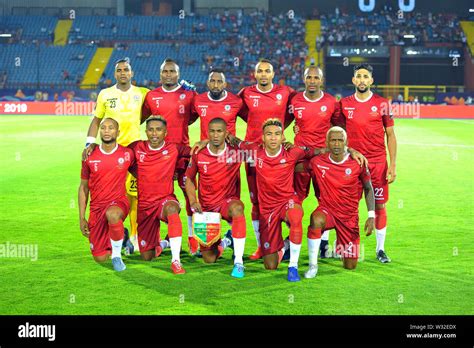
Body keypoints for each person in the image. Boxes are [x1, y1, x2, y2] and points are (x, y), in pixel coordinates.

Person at [228, 119, 368, 281]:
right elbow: (236, 142)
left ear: (283, 138)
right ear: (263, 137)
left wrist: (349, 150)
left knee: (295, 215)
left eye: (277, 134)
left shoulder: (294, 152)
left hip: (287, 202)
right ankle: (283, 247)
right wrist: (224, 136)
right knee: (270, 265)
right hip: (267, 210)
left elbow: (322, 150)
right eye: (269, 134)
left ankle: (292, 266)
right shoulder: (253, 150)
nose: (273, 138)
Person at [82, 58, 149, 253]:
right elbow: (96, 120)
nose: (122, 73)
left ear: (131, 73)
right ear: (115, 74)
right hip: (110, 153)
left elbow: (158, 106)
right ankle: (115, 234)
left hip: (134, 152)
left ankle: (135, 237)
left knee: (135, 196)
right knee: (110, 195)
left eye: (126, 70)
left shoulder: (142, 93)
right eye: (119, 70)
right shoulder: (105, 94)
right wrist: (89, 143)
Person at [238, 59, 296, 260]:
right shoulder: (246, 93)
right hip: (253, 154)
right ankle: (262, 246)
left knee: (284, 198)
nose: (263, 75)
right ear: (255, 74)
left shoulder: (286, 92)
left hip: (278, 153)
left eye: (267, 71)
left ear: (273, 74)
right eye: (260, 71)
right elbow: (234, 111)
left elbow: (298, 110)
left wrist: (283, 130)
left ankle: (285, 242)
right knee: (256, 202)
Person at [296, 127, 375, 276]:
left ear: (346, 142)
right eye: (333, 140)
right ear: (327, 142)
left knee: (350, 266)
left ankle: (340, 246)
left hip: (349, 217)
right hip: (328, 211)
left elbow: (368, 188)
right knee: (316, 219)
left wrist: (371, 216)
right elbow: (294, 167)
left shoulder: (358, 162)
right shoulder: (317, 162)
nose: (337, 144)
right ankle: (313, 266)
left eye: (340, 140)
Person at [338, 63, 397, 263]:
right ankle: (346, 247)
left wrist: (393, 164)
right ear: (353, 80)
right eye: (358, 76)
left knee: (379, 206)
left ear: (371, 80)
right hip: (353, 164)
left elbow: (390, 135)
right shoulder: (344, 104)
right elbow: (336, 134)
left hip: (378, 163)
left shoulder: (382, 104)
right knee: (348, 206)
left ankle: (380, 249)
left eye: (365, 76)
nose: (362, 80)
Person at [128, 117, 202, 274]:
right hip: (145, 206)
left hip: (165, 200)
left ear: (165, 132)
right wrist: (92, 145)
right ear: (146, 131)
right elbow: (119, 156)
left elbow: (196, 152)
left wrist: (203, 142)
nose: (154, 133)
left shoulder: (174, 148)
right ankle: (165, 242)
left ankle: (176, 261)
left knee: (172, 210)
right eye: (151, 130)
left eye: (158, 130)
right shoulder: (136, 147)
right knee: (147, 256)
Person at [142, 58, 198, 255]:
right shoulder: (151, 96)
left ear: (178, 74)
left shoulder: (189, 95)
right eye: (165, 71)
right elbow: (141, 120)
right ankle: (155, 239)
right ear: (160, 74)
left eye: (172, 71)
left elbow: (194, 116)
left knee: (191, 197)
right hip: (158, 156)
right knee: (155, 197)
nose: (168, 74)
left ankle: (193, 238)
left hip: (182, 153)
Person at [287, 65, 341, 258]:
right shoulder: (296, 100)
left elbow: (339, 126)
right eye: (308, 77)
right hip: (300, 156)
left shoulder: (330, 102)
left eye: (315, 78)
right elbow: (285, 120)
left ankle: (324, 244)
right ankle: (292, 239)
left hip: (322, 158)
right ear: (304, 79)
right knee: (295, 198)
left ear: (321, 80)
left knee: (325, 200)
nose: (312, 81)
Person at [185, 118, 246, 278]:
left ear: (226, 133)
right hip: (206, 208)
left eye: (219, 131)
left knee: (237, 209)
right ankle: (227, 241)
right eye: (212, 131)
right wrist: (193, 201)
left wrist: (237, 140)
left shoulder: (236, 152)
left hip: (227, 203)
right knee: (209, 259)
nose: (215, 135)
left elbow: (258, 150)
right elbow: (189, 179)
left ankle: (238, 263)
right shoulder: (199, 154)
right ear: (207, 133)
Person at [78, 118, 134, 271]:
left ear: (118, 132)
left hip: (118, 203)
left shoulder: (127, 153)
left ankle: (117, 256)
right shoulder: (89, 156)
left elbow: (142, 172)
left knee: (113, 214)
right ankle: (122, 237)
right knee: (100, 258)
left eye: (111, 128)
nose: (107, 131)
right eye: (103, 128)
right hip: (97, 208)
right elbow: (83, 187)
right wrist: (82, 217)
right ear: (99, 131)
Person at [190, 68, 243, 140]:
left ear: (225, 84)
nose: (215, 85)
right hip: (205, 149)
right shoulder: (198, 100)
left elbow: (249, 118)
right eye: (212, 81)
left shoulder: (236, 101)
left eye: (219, 82)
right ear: (208, 83)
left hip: (228, 149)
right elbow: (189, 120)